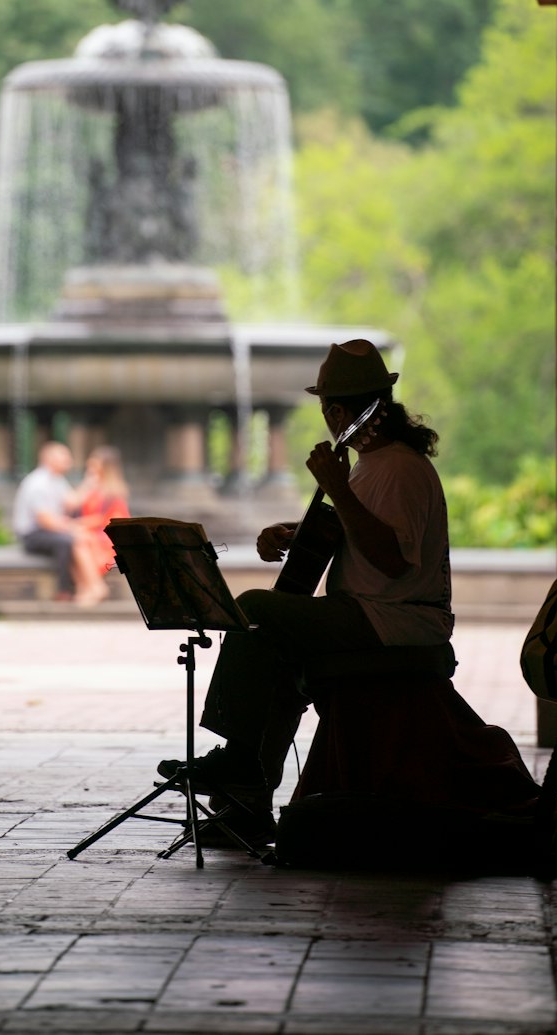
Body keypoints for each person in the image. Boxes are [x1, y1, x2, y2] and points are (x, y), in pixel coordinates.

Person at [157, 338, 453, 843]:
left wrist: (336, 488)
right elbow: (357, 531)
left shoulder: (400, 467)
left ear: (336, 411)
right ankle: (245, 808)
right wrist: (297, 532)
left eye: (325, 410)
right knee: (277, 653)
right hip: (366, 611)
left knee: (254, 609)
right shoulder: (370, 465)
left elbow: (393, 561)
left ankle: (237, 759)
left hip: (398, 616)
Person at [12, 441, 108, 605]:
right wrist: (73, 528)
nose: (69, 460)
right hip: (33, 534)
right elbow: (45, 521)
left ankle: (87, 586)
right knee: (68, 541)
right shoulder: (38, 483)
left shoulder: (56, 480)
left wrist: (89, 483)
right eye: (64, 456)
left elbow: (71, 502)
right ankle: (66, 589)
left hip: (49, 528)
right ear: (49, 459)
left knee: (76, 538)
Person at [69, 445, 131, 580]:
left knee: (79, 540)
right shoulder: (92, 485)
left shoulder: (114, 491)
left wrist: (79, 524)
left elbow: (106, 520)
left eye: (95, 462)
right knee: (73, 540)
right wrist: (87, 482)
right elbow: (73, 503)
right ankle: (87, 587)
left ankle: (93, 585)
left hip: (107, 536)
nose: (90, 465)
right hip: (93, 530)